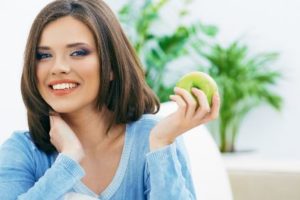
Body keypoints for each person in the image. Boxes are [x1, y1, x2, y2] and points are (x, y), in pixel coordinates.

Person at [0, 0, 220, 199]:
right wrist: (67, 160)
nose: (58, 68)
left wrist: (161, 143)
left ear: (111, 66)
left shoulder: (155, 138)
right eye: (44, 55)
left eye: (78, 53)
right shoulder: (22, 151)